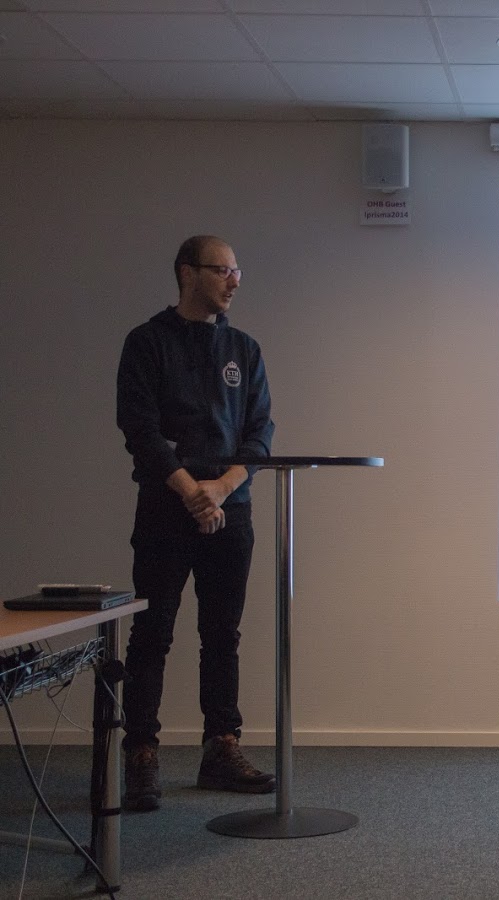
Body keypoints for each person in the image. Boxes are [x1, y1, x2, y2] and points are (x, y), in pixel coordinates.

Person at [115, 235, 276, 811]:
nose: (234, 281)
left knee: (222, 634)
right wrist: (191, 492)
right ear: (188, 273)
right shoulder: (147, 343)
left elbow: (260, 432)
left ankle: (221, 748)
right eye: (222, 270)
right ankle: (140, 753)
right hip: (166, 509)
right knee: (152, 633)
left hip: (232, 509)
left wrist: (223, 488)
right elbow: (140, 429)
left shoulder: (244, 349)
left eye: (237, 270)